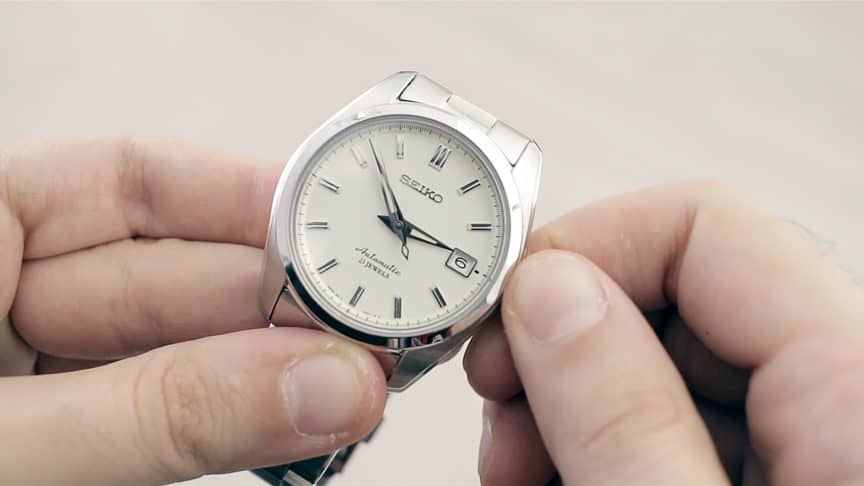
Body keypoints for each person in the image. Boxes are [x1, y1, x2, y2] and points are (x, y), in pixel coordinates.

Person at [0, 137, 860, 486]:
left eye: (415, 227)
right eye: (399, 214)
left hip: (388, 327)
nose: (402, 226)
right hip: (309, 281)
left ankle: (301, 460)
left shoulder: (467, 309)